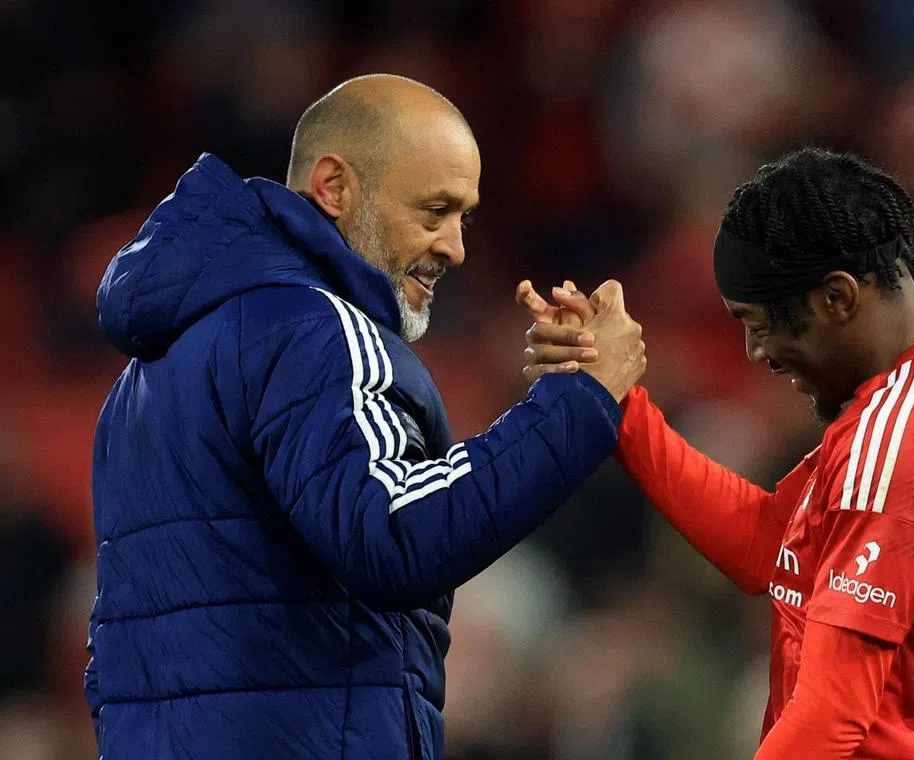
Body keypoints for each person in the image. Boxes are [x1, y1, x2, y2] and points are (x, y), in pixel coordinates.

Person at [85, 74, 645, 760]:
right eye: (434, 211)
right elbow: (396, 536)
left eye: (463, 218)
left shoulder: (152, 371)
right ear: (334, 187)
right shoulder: (316, 328)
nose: (454, 247)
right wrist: (581, 398)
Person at [520, 147, 914, 758]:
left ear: (838, 298)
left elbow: (831, 720)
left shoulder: (906, 445)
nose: (753, 352)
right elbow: (774, 546)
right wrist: (620, 406)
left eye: (761, 323)